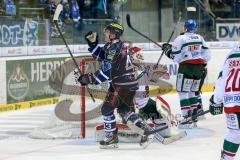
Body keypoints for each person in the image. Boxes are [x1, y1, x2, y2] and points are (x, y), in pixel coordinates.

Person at [77, 22, 154, 149]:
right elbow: (102, 56)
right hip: (130, 84)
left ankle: (111, 138)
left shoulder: (114, 48)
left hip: (120, 85)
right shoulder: (116, 46)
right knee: (125, 110)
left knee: (106, 109)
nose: (104, 33)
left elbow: (107, 71)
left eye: (107, 32)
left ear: (114, 34)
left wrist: (88, 78)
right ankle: (145, 130)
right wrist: (92, 44)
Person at [129, 46, 187, 140]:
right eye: (138, 56)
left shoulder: (144, 68)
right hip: (134, 106)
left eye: (141, 56)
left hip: (146, 102)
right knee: (137, 122)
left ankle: (164, 129)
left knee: (161, 116)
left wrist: (158, 71)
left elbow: (166, 76)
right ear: (132, 57)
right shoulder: (127, 71)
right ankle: (137, 128)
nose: (141, 58)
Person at [162, 19, 211, 128]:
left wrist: (167, 50)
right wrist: (201, 62)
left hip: (186, 68)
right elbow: (207, 54)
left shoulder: (181, 38)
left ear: (185, 28)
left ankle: (185, 119)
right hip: (199, 68)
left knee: (183, 93)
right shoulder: (200, 38)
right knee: (193, 92)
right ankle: (193, 119)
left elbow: (176, 57)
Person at [209, 44, 240, 160]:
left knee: (234, 133)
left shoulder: (232, 53)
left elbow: (222, 79)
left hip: (231, 101)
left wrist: (216, 100)